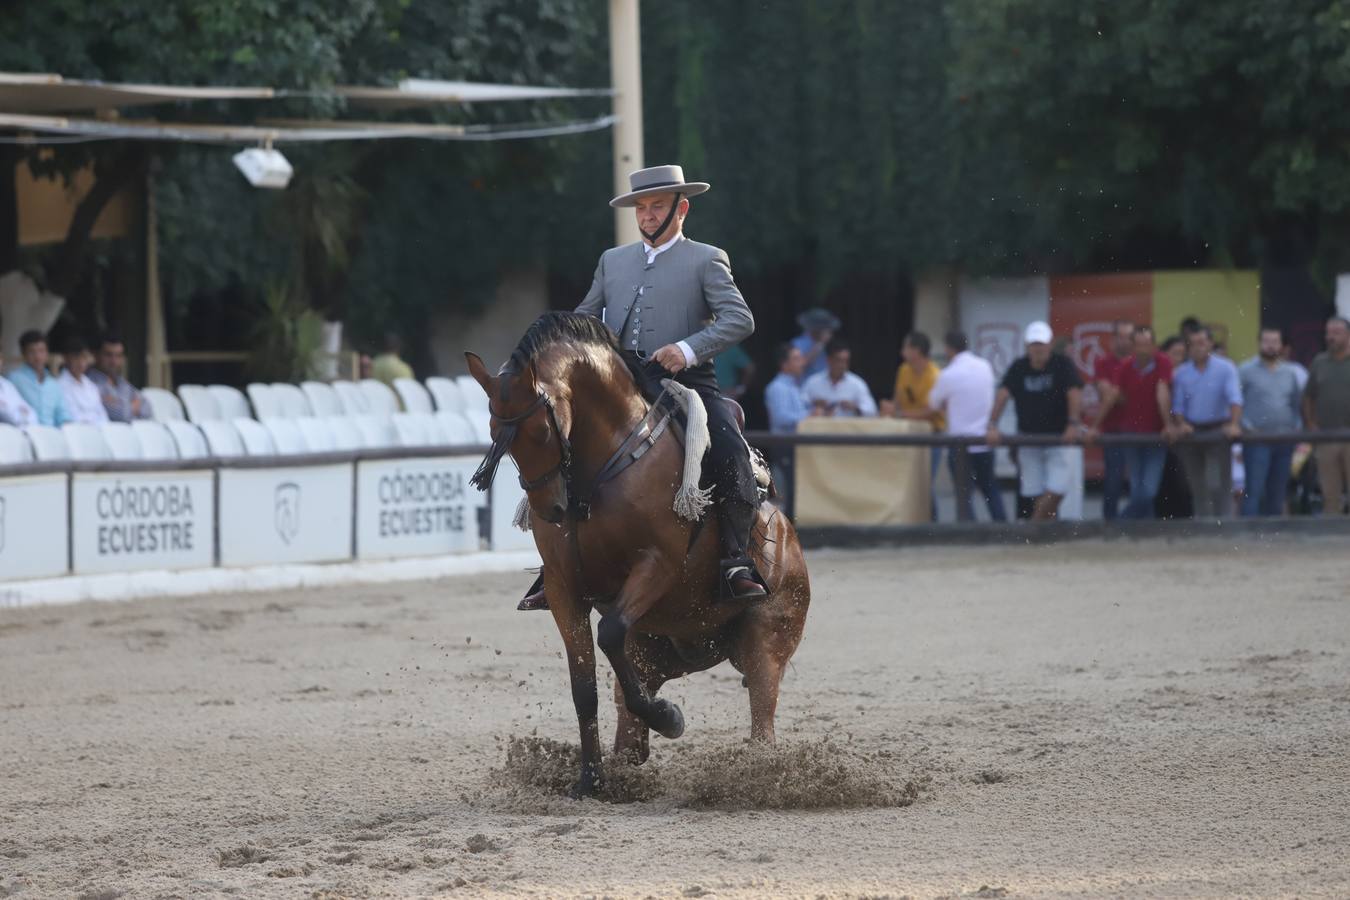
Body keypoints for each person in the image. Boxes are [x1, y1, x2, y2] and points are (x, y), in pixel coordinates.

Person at [572, 163, 765, 602]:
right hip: (620, 382)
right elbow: (584, 315)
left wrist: (687, 348)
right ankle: (562, 562)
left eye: (657, 206)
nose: (647, 216)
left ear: (683, 209)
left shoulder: (707, 257)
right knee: (564, 445)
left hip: (688, 382)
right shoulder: (612, 260)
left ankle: (736, 561)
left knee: (730, 450)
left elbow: (741, 319)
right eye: (641, 208)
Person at [987, 321, 1084, 521]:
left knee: (1058, 487)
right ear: (1027, 346)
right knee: (1034, 490)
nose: (1038, 348)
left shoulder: (1062, 364)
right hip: (1029, 439)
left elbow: (1074, 392)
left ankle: (1033, 529)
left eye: (1041, 343)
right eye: (1034, 344)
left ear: (1049, 344)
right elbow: (1003, 394)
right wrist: (992, 425)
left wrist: (1073, 424)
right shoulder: (1019, 366)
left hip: (1058, 437)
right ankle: (1044, 533)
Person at [926, 331, 1006, 521]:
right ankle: (1004, 529)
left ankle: (970, 533)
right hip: (983, 440)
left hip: (960, 444)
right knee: (990, 489)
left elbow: (932, 404)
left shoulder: (948, 374)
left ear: (948, 349)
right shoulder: (984, 366)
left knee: (964, 495)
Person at [1099, 325, 1174, 518]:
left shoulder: (1163, 362)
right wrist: (1094, 426)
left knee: (1148, 489)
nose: (1143, 349)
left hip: (1155, 435)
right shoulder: (1125, 366)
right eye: (1139, 345)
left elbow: (1162, 392)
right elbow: (1113, 396)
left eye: (1147, 344)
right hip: (1131, 435)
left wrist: (1167, 424)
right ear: (1133, 346)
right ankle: (1143, 531)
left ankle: (1121, 524)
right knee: (1137, 487)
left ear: (1154, 346)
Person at [1170, 326, 1243, 517]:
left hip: (1217, 431)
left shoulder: (1226, 367)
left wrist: (1234, 423)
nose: (1197, 348)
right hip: (1192, 433)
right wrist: (1181, 423)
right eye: (1193, 344)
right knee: (1197, 487)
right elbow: (1177, 405)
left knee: (1218, 484)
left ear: (1210, 343)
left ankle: (1224, 529)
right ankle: (1203, 530)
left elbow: (1234, 398)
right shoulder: (1181, 372)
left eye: (1201, 343)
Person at [1237, 328, 1302, 516]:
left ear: (1282, 345)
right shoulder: (1245, 370)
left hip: (1284, 440)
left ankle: (1275, 539)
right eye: (1266, 341)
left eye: (1275, 341)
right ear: (1259, 343)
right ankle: (1247, 537)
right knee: (1254, 491)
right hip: (1256, 440)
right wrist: (1246, 427)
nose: (1270, 345)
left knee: (1278, 492)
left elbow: (1296, 404)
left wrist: (1295, 427)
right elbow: (1235, 402)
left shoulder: (1290, 372)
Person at [884, 331, 943, 520]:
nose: (902, 352)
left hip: (932, 434)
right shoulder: (904, 370)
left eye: (906, 347)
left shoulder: (934, 375)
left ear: (916, 350)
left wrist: (898, 414)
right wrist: (890, 410)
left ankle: (932, 522)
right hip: (906, 432)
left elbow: (931, 411)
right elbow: (898, 399)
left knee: (925, 481)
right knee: (907, 480)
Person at [1303, 316, 1350, 515]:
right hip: (1326, 437)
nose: (1331, 337)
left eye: (1336, 333)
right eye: (1328, 333)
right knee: (1330, 495)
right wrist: (1311, 423)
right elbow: (1308, 396)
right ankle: (1332, 542)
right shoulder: (1319, 362)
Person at [1090, 320, 1135, 519]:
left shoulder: (1139, 362)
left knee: (1140, 482)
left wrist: (1116, 393)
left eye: (1129, 337)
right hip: (1113, 429)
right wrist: (1121, 392)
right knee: (1113, 480)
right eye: (1121, 336)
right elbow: (1109, 395)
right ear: (1113, 338)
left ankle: (1135, 524)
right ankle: (1109, 526)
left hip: (1138, 428)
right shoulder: (1102, 363)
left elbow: (1116, 395)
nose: (1124, 342)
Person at [763, 343, 812, 509]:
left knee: (796, 491)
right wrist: (811, 416)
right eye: (796, 359)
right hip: (784, 445)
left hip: (796, 446)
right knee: (787, 493)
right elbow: (781, 418)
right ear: (785, 364)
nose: (802, 362)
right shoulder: (777, 387)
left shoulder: (795, 386)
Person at [8, 330, 69, 427]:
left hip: (52, 435)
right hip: (25, 434)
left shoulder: (54, 384)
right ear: (23, 354)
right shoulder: (13, 380)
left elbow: (63, 415)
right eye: (32, 352)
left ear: (47, 353)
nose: (38, 357)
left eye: (41, 351)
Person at [801, 339, 877, 417]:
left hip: (848, 428)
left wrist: (855, 408)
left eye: (846, 361)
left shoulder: (857, 383)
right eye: (839, 360)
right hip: (819, 428)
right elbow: (800, 409)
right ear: (829, 360)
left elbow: (872, 411)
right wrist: (814, 405)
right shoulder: (812, 382)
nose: (842, 365)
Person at [88, 332, 152, 423]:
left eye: (118, 356)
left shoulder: (122, 382)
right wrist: (133, 405)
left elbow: (147, 408)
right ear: (96, 355)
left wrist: (120, 405)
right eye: (108, 355)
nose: (114, 361)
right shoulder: (89, 383)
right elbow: (121, 415)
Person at [57, 336, 109, 425]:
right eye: (76, 358)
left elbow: (102, 415)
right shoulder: (59, 385)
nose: (81, 363)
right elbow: (73, 417)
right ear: (66, 358)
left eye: (84, 357)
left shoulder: (91, 386)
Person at [790, 307, 840, 383]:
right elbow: (800, 364)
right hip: (804, 385)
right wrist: (820, 343)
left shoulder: (829, 343)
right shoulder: (798, 343)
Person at [0, 347, 37, 426]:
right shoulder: (14, 377)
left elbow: (31, 414)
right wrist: (17, 413)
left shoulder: (7, 385)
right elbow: (8, 415)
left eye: (0, 358)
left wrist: (11, 411)